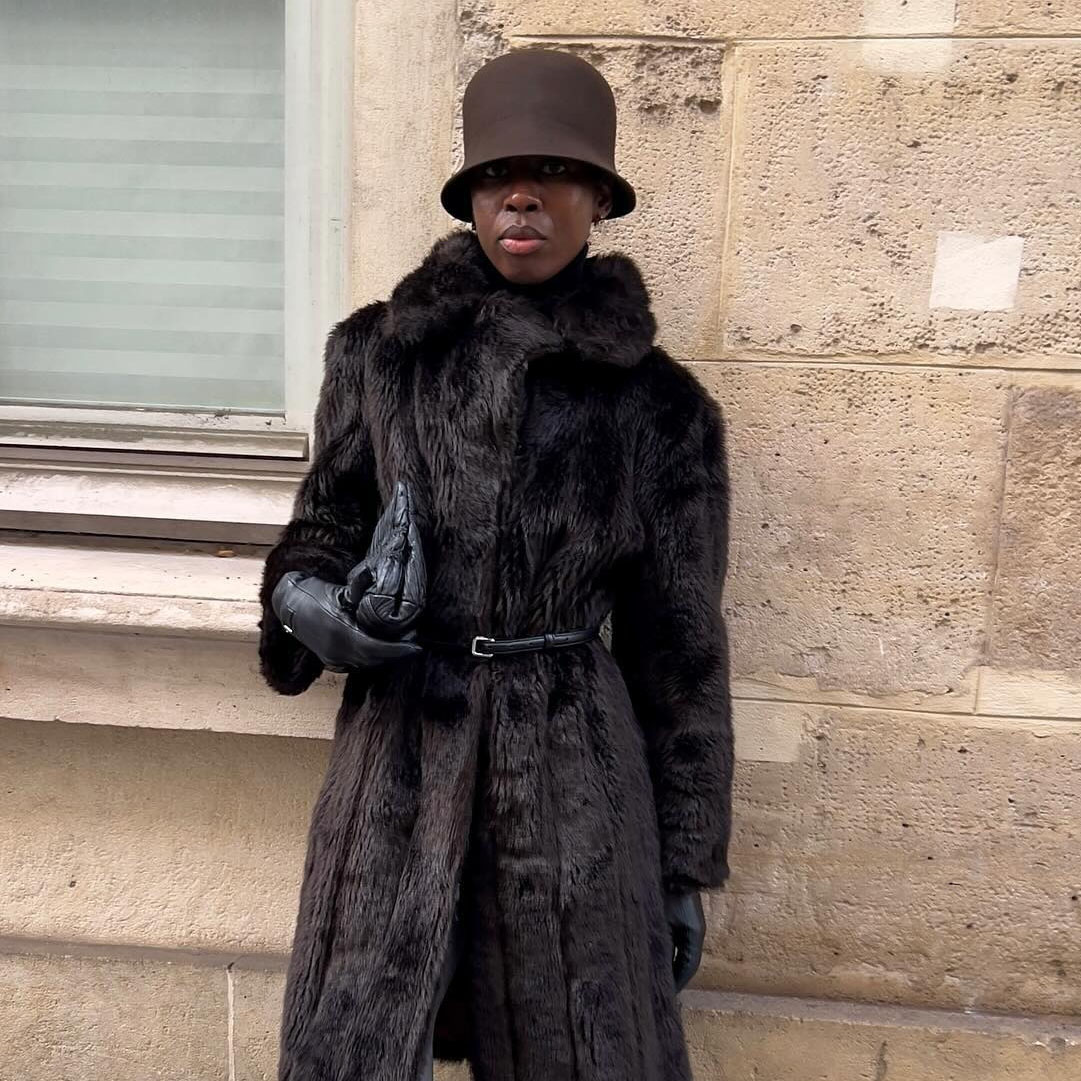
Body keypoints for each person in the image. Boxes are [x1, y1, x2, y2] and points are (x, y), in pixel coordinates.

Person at [257, 47, 734, 1081]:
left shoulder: (662, 408)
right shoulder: (378, 356)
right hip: (399, 759)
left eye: (553, 172)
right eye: (494, 173)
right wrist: (312, 602)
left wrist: (683, 867)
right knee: (360, 1047)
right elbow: (321, 526)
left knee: (582, 1044)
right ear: (471, 194)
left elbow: (680, 649)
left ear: (598, 197)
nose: (520, 192)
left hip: (573, 773)